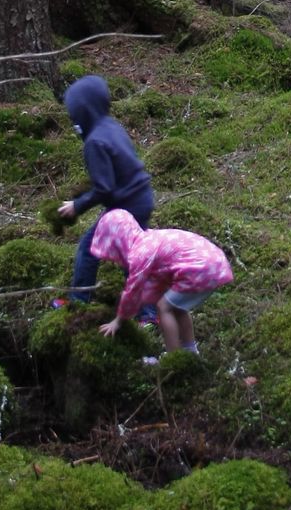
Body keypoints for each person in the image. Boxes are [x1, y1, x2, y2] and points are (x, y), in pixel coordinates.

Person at [56, 75, 155, 306]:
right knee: (134, 255)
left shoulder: (94, 142)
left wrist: (77, 206)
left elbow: (104, 188)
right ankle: (148, 312)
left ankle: (79, 302)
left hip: (126, 206)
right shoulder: (111, 126)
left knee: (88, 249)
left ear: (82, 112)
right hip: (141, 198)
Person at [90, 209, 233, 356]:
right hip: (214, 263)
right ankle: (190, 351)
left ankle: (174, 358)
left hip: (202, 267)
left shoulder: (139, 253)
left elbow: (134, 290)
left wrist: (118, 321)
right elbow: (152, 287)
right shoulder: (148, 239)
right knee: (177, 306)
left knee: (163, 307)